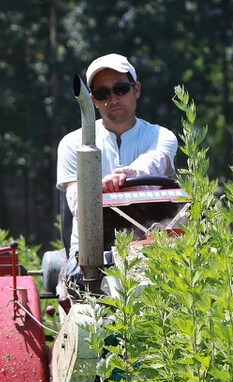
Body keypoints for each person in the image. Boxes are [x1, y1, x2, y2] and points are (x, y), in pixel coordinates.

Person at [55, 53, 179, 259]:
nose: (113, 99)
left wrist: (130, 174)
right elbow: (77, 201)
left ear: (136, 89)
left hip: (155, 244)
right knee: (78, 280)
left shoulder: (161, 136)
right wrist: (96, 190)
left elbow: (156, 161)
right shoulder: (72, 144)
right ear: (92, 100)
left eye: (121, 89)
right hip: (91, 252)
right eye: (103, 93)